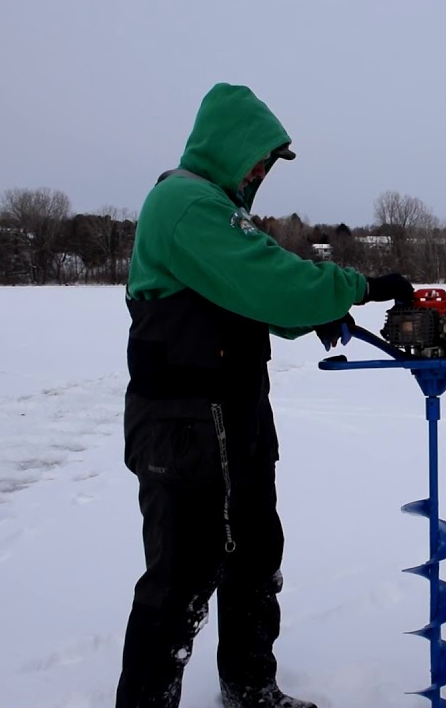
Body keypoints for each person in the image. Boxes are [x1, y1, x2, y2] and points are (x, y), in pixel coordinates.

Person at [116, 82, 414, 708]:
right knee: (181, 579)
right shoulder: (185, 202)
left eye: (268, 163)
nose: (260, 170)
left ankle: (250, 688)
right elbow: (272, 281)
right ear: (226, 144)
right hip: (186, 425)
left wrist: (313, 313)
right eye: (258, 156)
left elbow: (258, 299)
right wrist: (354, 288)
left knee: (254, 558)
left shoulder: (219, 210)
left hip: (235, 417)